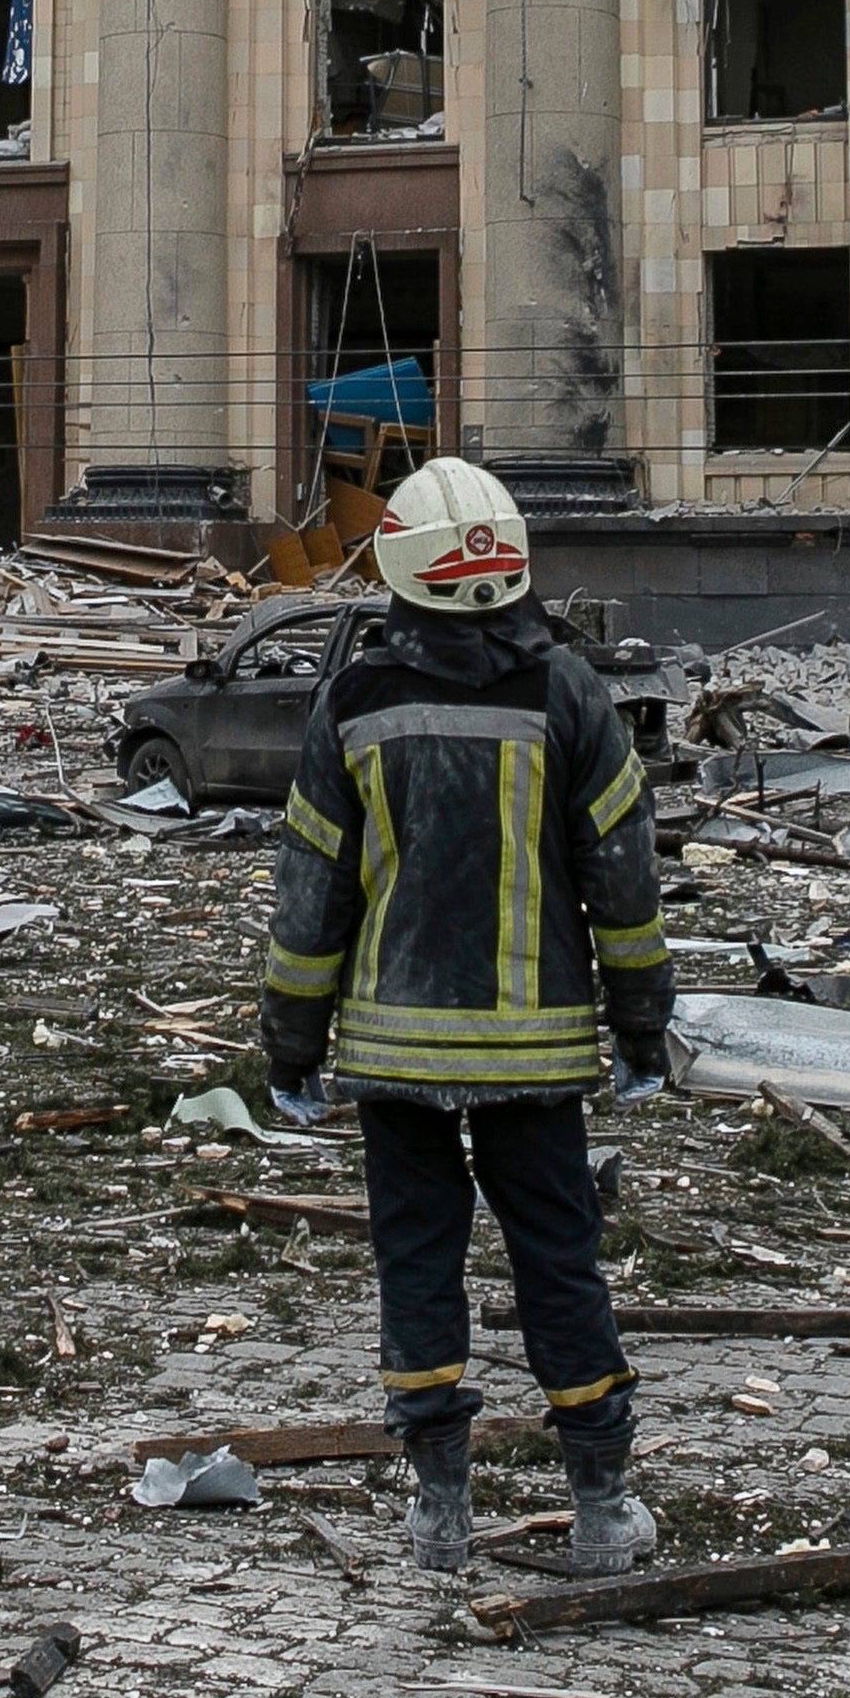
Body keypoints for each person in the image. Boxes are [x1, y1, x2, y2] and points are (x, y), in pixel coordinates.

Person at [255, 457, 669, 1577]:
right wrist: (642, 1028)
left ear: (399, 570)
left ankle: (439, 1510)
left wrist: (290, 1044)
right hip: (537, 1056)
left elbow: (312, 896)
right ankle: (599, 1507)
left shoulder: (356, 702)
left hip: (391, 1056)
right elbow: (622, 882)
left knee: (418, 1262)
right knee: (559, 1261)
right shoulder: (569, 693)